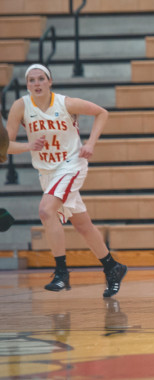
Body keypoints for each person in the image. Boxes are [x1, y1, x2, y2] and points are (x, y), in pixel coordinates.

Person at [6, 64, 127, 296]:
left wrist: (90, 143)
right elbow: (6, 145)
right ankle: (112, 267)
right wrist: (28, 146)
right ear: (27, 84)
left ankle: (61, 271)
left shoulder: (65, 103)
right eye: (32, 80)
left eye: (41, 79)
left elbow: (102, 112)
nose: (37, 83)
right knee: (82, 225)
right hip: (47, 173)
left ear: (50, 81)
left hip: (71, 165)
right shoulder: (20, 106)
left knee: (45, 210)